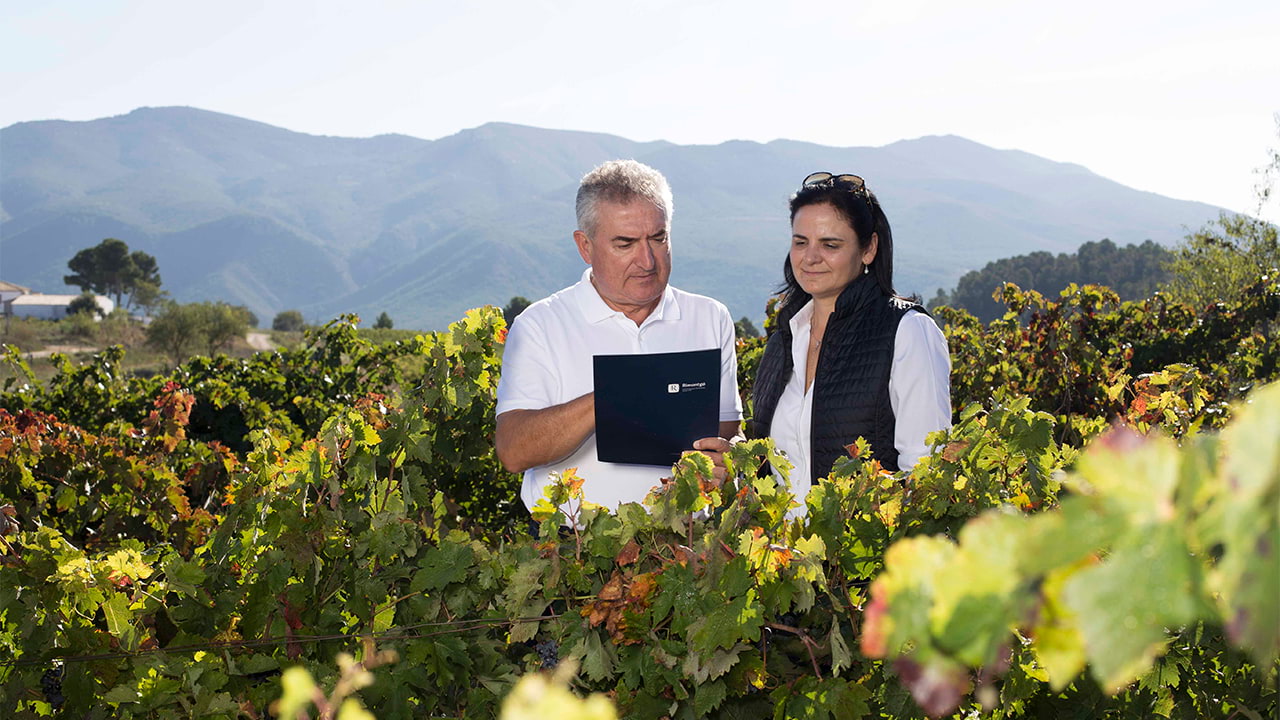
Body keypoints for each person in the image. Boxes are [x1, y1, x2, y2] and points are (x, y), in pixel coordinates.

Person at [495, 159, 742, 512]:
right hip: (574, 553)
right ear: (585, 246)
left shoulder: (710, 317)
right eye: (625, 244)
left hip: (686, 549)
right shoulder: (540, 325)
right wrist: (616, 396)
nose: (647, 261)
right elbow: (514, 452)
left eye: (658, 238)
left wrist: (726, 459)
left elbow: (727, 430)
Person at [749, 172, 951, 505]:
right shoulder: (783, 339)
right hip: (788, 553)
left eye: (830, 245)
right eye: (801, 242)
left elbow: (925, 472)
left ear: (869, 248)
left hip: (867, 554)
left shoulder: (907, 331)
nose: (810, 257)